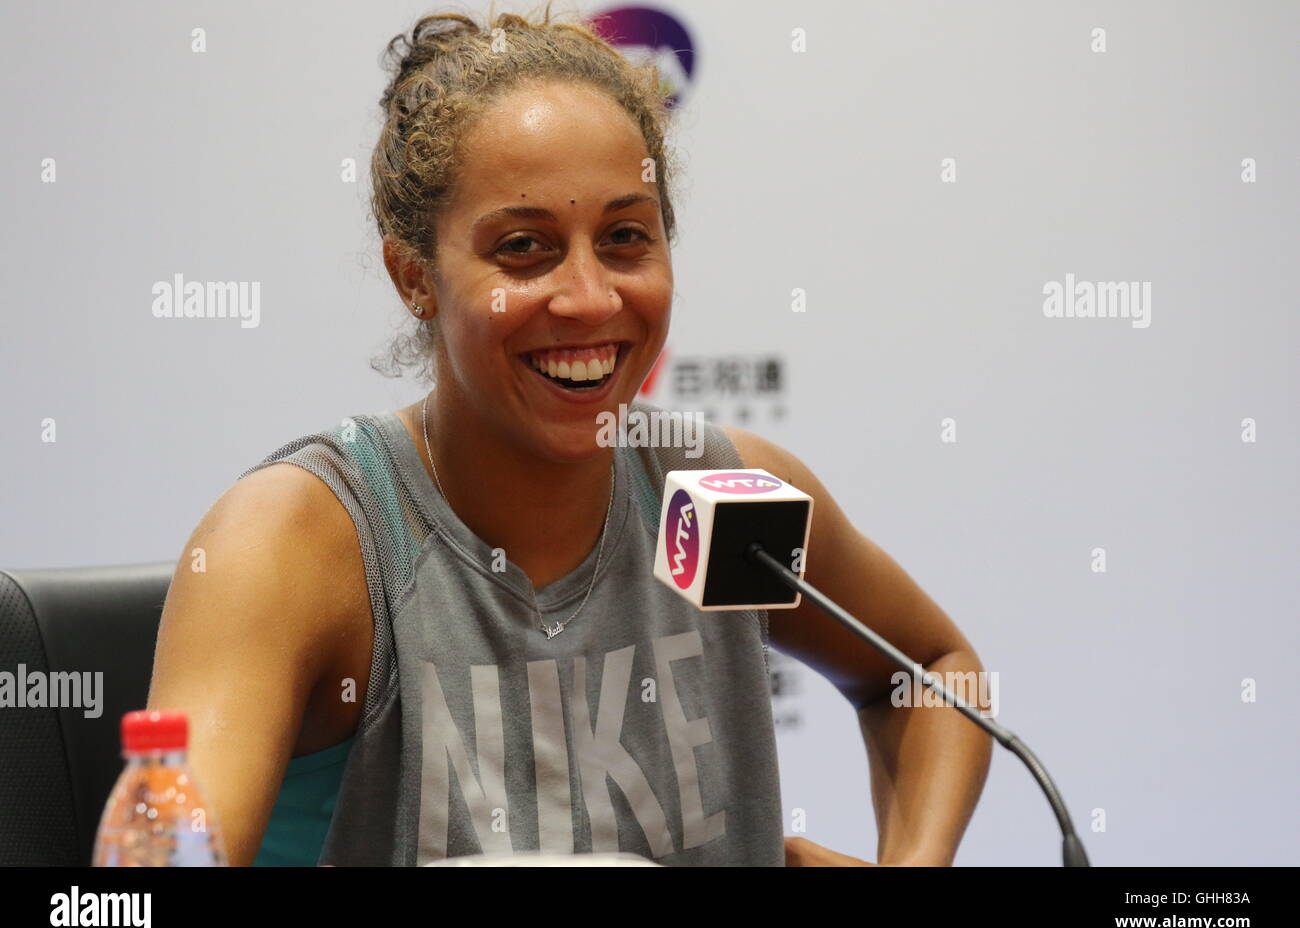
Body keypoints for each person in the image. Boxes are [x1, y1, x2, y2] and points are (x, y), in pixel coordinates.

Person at [147, 4, 992, 867]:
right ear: (415, 277)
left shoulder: (723, 490)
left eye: (626, 237)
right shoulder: (295, 541)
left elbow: (930, 670)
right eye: (524, 247)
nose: (589, 297)